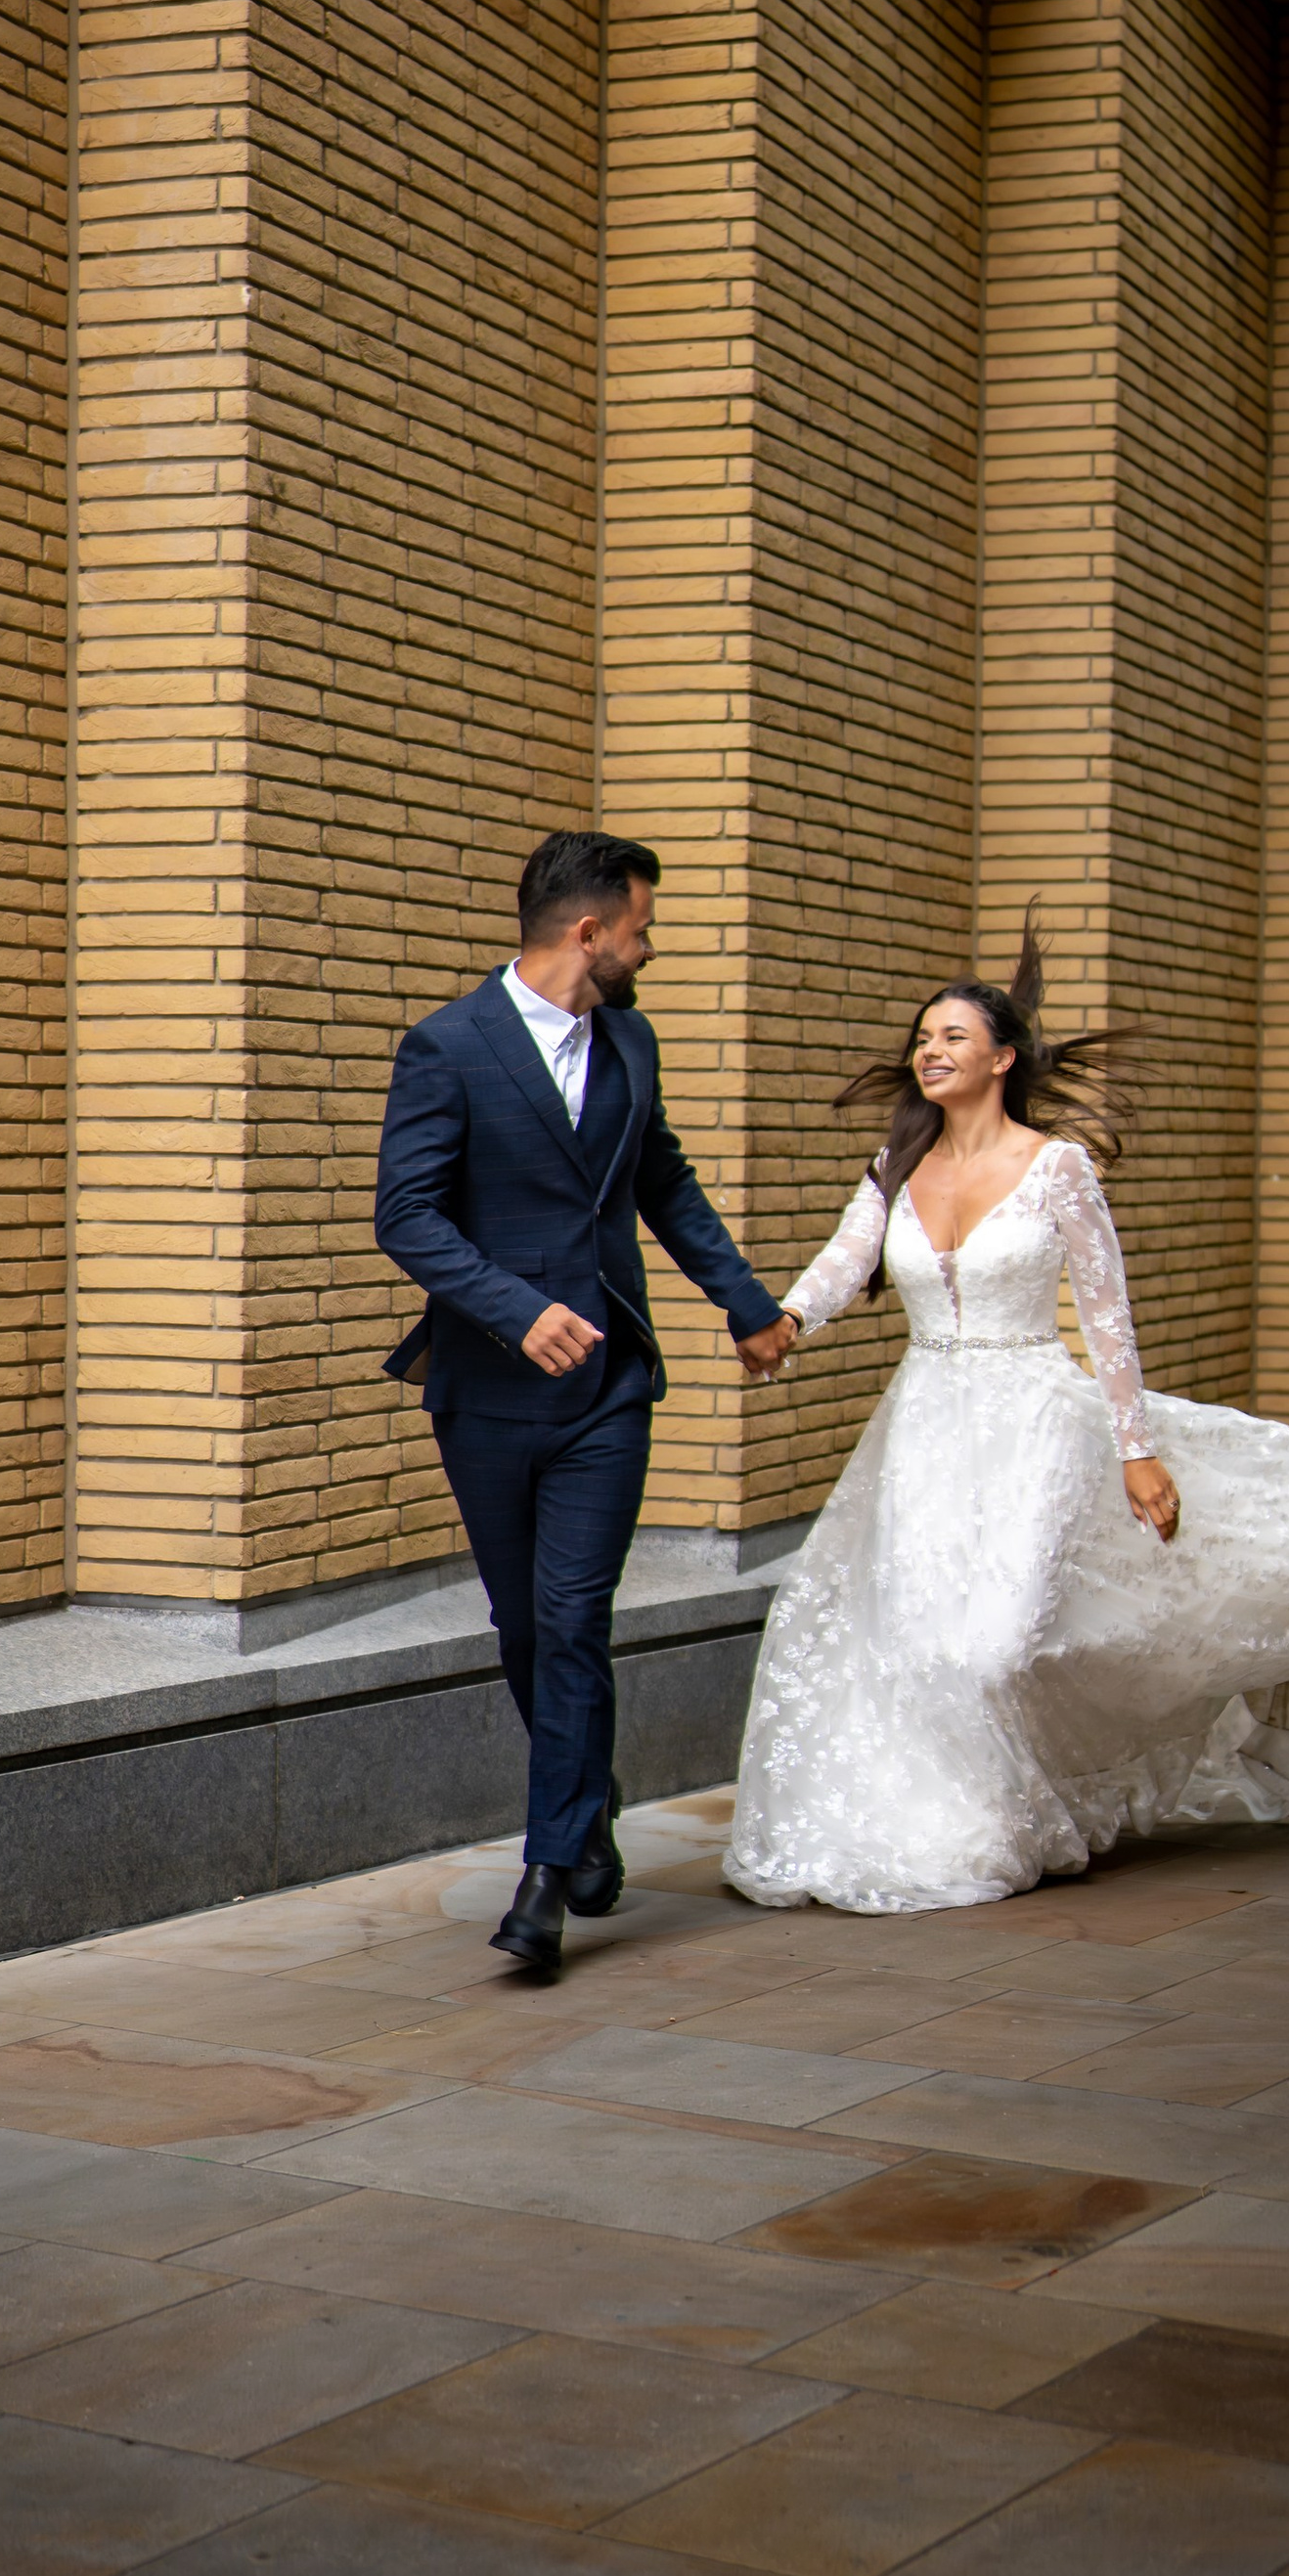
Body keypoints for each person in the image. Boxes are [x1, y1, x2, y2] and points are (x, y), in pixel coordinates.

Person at [724, 931, 1289, 1915]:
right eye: (922, 1037)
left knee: (996, 1642)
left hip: (1032, 1420)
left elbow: (1106, 1311)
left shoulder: (1058, 1168)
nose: (929, 1050)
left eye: (952, 1035)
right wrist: (782, 1323)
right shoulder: (894, 1165)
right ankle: (975, 1825)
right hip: (922, 1428)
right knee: (918, 1637)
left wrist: (1137, 1451)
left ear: (1003, 1058)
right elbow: (839, 1262)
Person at [376, 832, 798, 1975]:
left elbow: (660, 1177)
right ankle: (589, 1795)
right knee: (525, 1629)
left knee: (573, 1621)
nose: (646, 949)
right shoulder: (448, 1046)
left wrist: (744, 1300)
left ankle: (545, 1872)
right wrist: (513, 1309)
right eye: (642, 929)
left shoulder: (632, 1043)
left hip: (609, 1386)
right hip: (486, 1391)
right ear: (588, 931)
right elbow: (407, 1216)